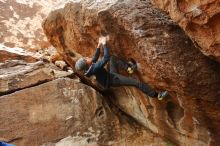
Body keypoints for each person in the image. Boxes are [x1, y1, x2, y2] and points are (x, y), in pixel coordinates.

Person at [75, 36, 168, 100]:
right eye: (85, 59)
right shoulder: (94, 68)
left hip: (110, 75)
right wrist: (104, 43)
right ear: (87, 64)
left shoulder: (90, 68)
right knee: (137, 83)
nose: (87, 57)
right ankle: (157, 95)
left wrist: (99, 45)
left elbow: (94, 58)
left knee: (113, 58)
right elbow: (106, 57)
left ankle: (129, 68)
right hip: (114, 80)